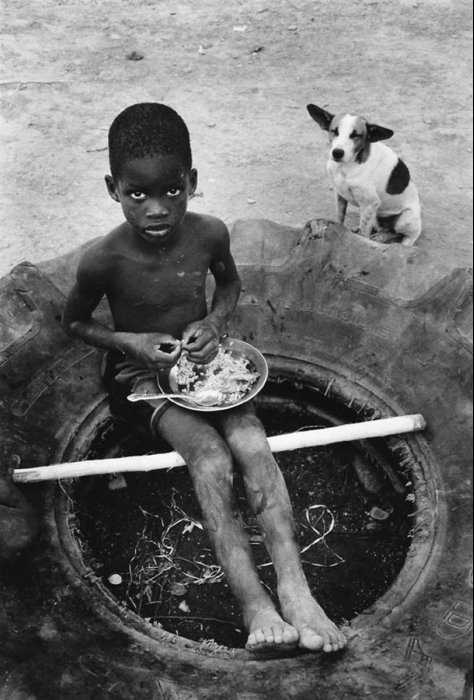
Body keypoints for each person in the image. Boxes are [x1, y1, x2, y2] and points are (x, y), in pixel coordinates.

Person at [62, 103, 347, 654]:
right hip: (140, 381)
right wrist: (129, 342)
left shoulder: (210, 234)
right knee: (212, 459)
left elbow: (230, 287)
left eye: (171, 190)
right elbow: (72, 322)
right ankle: (253, 604)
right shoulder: (104, 260)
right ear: (112, 189)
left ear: (191, 181)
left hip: (205, 372)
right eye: (136, 194)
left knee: (253, 443)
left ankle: (296, 590)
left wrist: (214, 322)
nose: (155, 209)